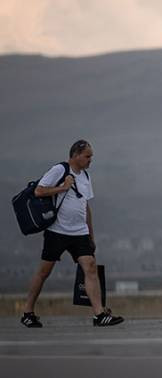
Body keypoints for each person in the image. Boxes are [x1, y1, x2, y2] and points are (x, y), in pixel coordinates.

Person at [20, 140, 124, 327]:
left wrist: (91, 235)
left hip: (80, 232)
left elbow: (86, 206)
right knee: (44, 271)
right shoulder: (60, 170)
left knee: (90, 267)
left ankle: (99, 314)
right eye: (87, 156)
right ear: (76, 155)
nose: (90, 160)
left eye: (91, 156)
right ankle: (28, 312)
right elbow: (39, 191)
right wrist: (63, 187)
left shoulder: (85, 176)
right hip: (57, 231)